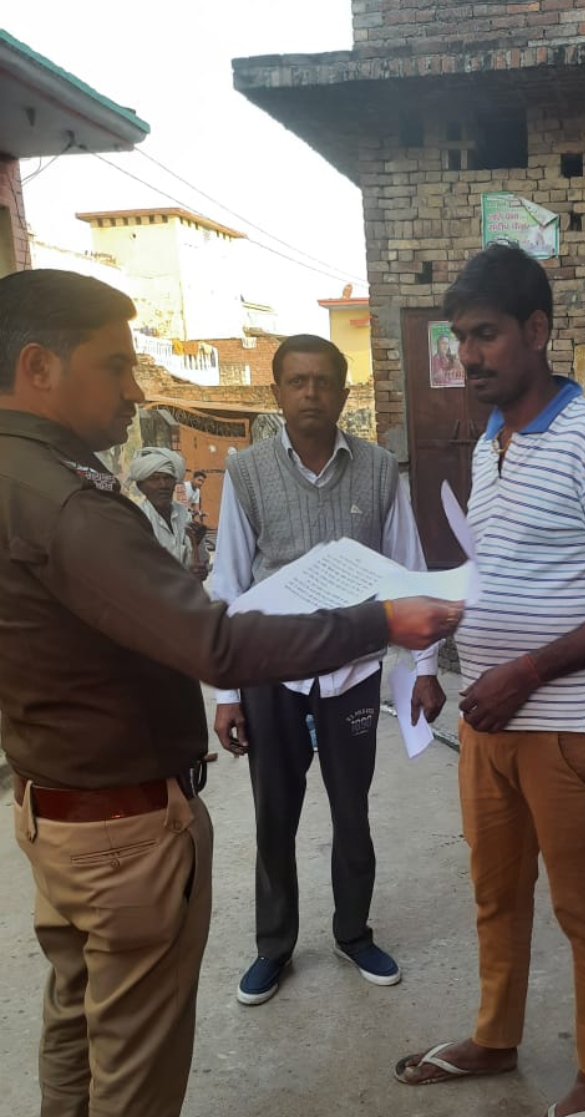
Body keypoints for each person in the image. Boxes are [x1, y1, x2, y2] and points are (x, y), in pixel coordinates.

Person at [0, 269, 459, 1117]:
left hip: (54, 801)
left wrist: (395, 650)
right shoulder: (73, 501)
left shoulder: (27, 478)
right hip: (122, 819)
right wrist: (378, 624)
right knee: (132, 1044)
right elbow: (212, 630)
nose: (133, 389)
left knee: (73, 1012)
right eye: (115, 366)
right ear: (38, 367)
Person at [394, 244, 585, 1117]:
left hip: (562, 729)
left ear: (537, 330)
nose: (469, 356)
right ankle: (496, 1037)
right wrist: (440, 650)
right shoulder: (490, 443)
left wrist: (528, 671)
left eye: (485, 335)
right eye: (460, 339)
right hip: (488, 727)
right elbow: (502, 571)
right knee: (496, 897)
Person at [212, 335, 445, 1006]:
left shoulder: (379, 470)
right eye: (297, 381)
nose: (310, 393)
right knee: (273, 813)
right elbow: (227, 583)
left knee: (352, 811)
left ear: (344, 394)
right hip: (270, 671)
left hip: (352, 671)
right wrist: (226, 693)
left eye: (323, 382)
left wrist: (426, 667)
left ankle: (353, 933)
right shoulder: (247, 471)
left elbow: (409, 572)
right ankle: (273, 946)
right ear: (277, 393)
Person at [128, 447, 203, 577]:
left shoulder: (183, 514)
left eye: (168, 478)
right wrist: (183, 576)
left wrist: (198, 543)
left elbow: (199, 563)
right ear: (141, 486)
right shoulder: (136, 521)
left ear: (175, 482)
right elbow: (138, 572)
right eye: (154, 479)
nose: (163, 485)